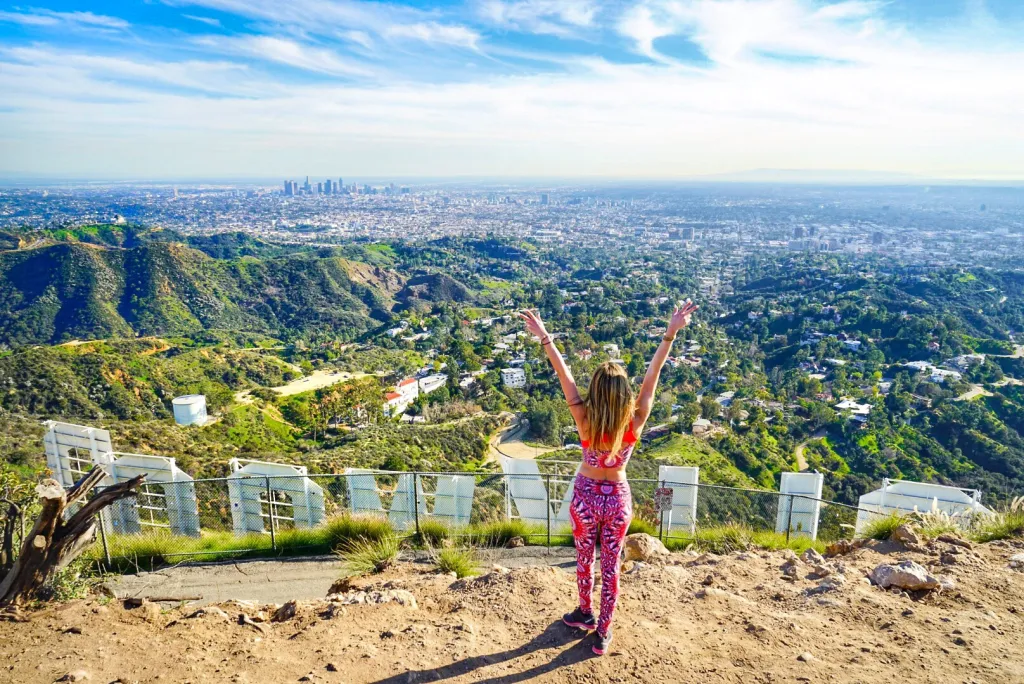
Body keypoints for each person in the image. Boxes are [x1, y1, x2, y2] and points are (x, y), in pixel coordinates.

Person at [520, 300, 698, 655]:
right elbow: (652, 377)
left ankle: (585, 613)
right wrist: (670, 334)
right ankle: (603, 631)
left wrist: (545, 338)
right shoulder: (635, 420)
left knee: (585, 558)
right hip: (617, 498)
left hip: (585, 497)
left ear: (596, 391)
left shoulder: (584, 419)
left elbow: (564, 376)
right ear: (625, 394)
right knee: (611, 564)